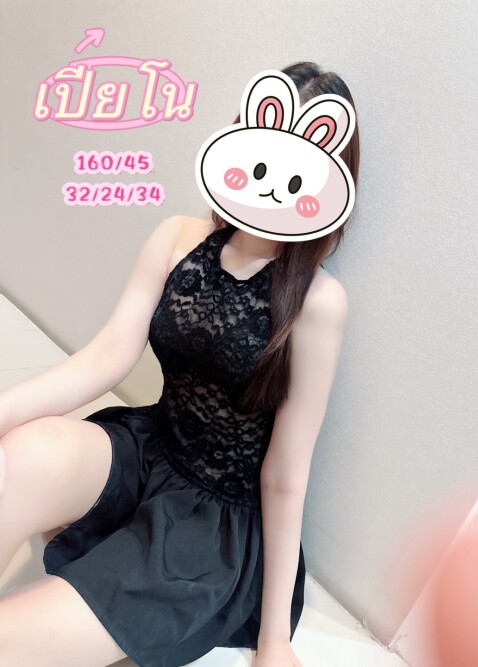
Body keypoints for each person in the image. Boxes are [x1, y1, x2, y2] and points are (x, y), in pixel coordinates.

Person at [0, 61, 360, 667]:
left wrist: (274, 640)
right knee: (20, 456)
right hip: (149, 450)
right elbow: (105, 357)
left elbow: (286, 472)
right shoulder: (177, 237)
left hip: (211, 525)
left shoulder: (319, 303)